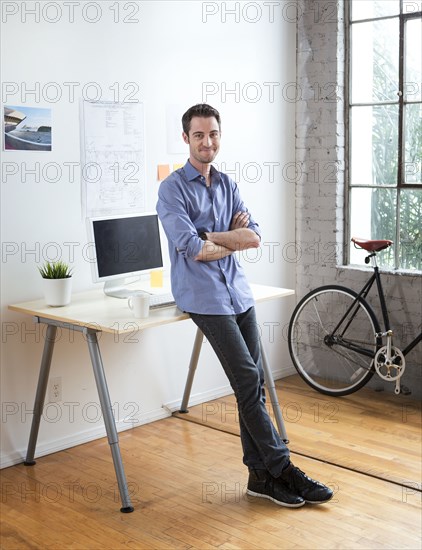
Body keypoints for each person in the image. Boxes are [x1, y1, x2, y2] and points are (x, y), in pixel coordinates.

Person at [156, 103, 333, 508]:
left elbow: (252, 238)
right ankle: (283, 468)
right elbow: (193, 250)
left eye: (213, 134)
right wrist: (225, 240)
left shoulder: (228, 184)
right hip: (202, 298)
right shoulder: (171, 189)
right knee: (248, 382)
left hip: (237, 291)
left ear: (220, 135)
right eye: (199, 135)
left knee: (250, 385)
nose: (207, 142)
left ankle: (259, 478)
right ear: (186, 139)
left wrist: (215, 235)